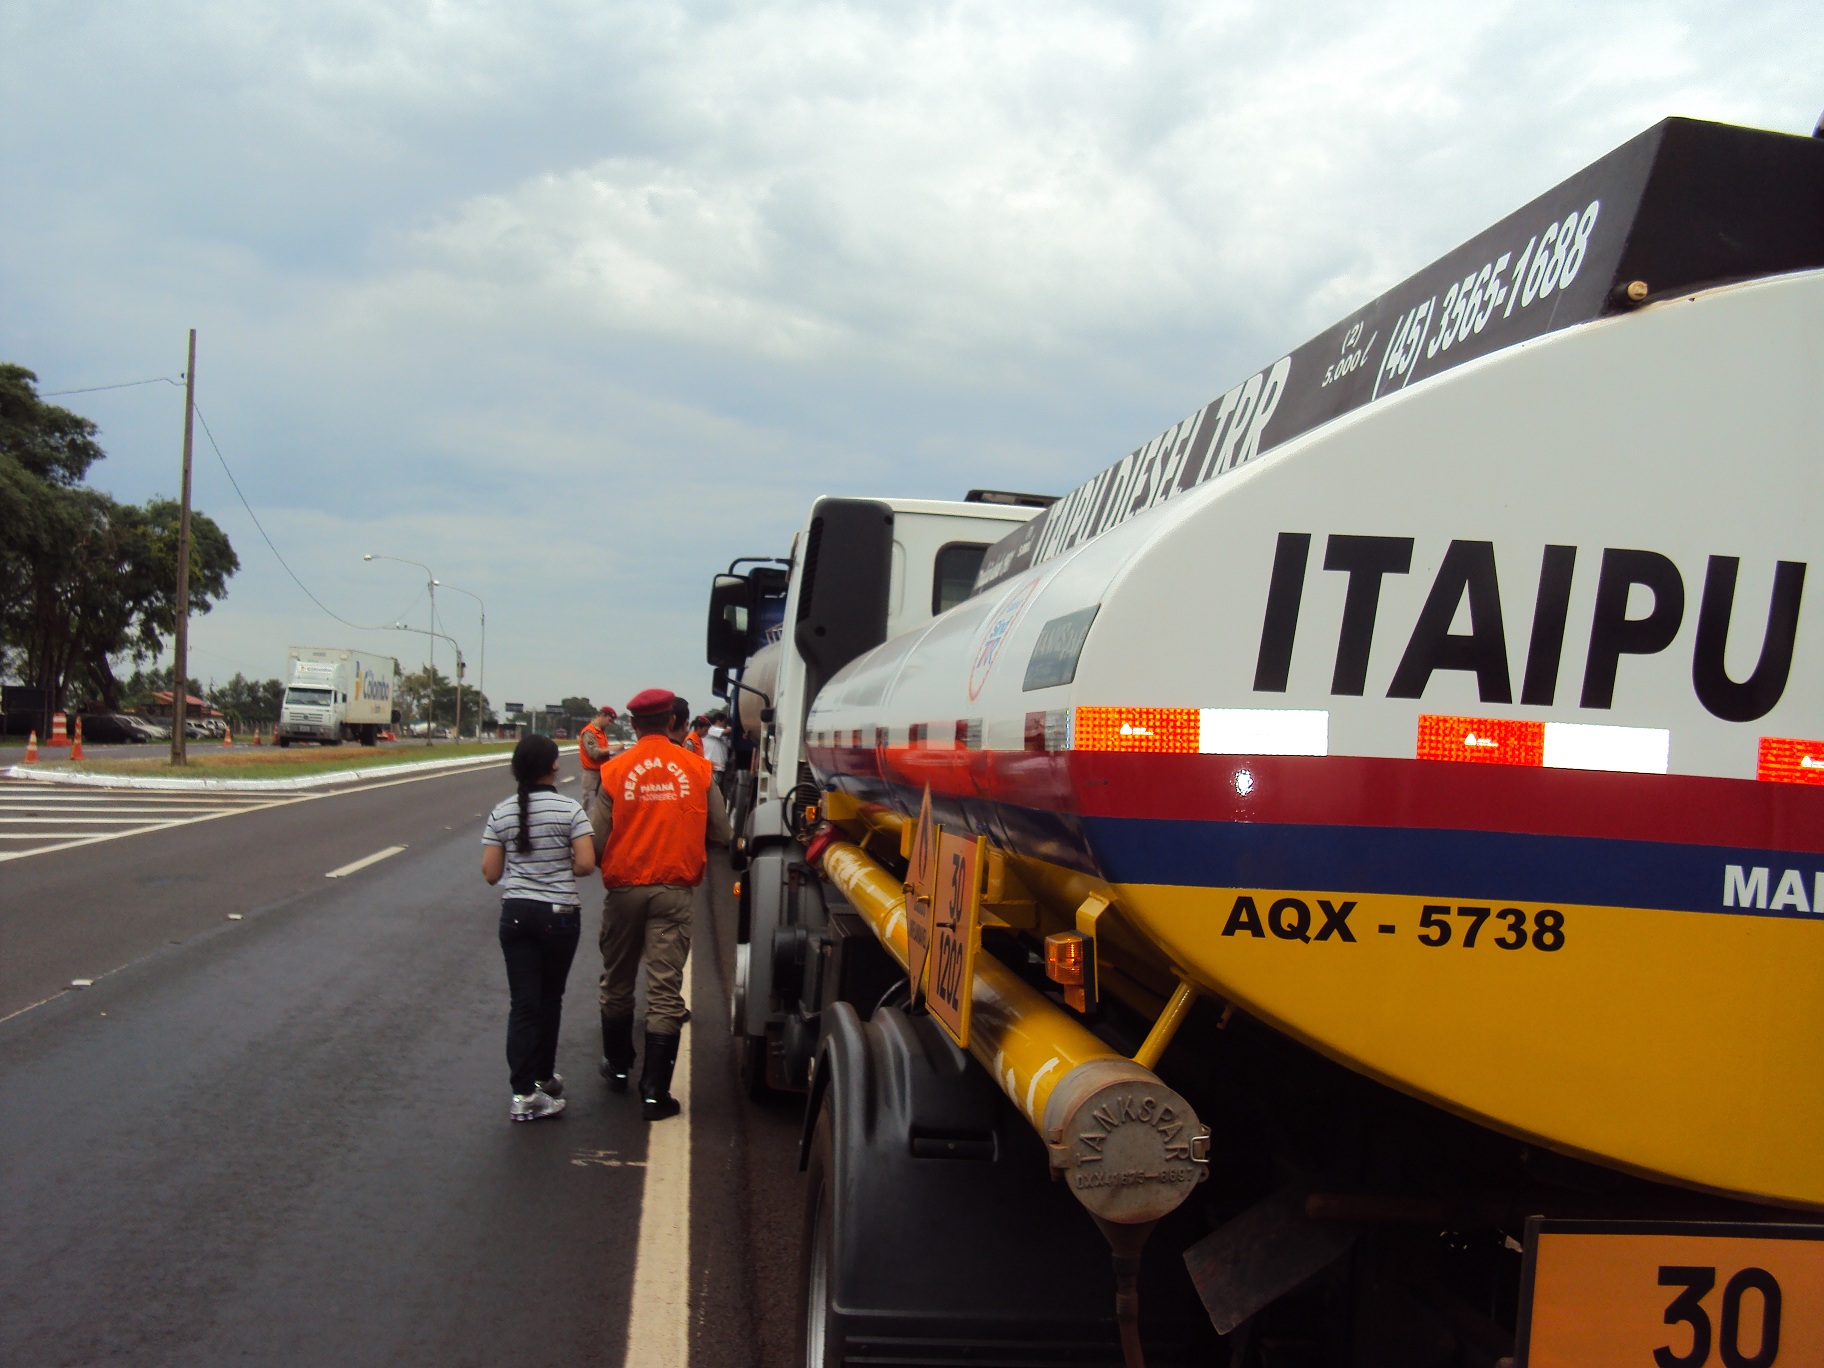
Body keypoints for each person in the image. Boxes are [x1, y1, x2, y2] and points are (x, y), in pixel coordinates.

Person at [592, 688, 732, 1120]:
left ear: (633, 724)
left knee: (617, 980)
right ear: (674, 721)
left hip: (624, 890)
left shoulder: (614, 771)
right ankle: (654, 1093)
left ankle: (618, 1068)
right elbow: (723, 834)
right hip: (673, 891)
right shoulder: (699, 768)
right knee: (665, 990)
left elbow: (596, 841)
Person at [482, 733, 596, 1122]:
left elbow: (490, 872)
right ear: (553, 767)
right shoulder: (571, 811)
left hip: (515, 913)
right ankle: (541, 1080)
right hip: (560, 914)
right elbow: (585, 864)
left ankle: (524, 1089)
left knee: (523, 1004)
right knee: (550, 999)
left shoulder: (501, 812)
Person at [578, 704, 617, 810]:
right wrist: (614, 748)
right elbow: (593, 752)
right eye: (609, 720)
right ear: (602, 715)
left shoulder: (602, 732)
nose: (609, 724)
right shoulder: (589, 732)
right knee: (588, 805)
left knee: (600, 805)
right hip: (591, 774)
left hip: (602, 772)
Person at [702, 710, 731, 801]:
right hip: (711, 767)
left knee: (716, 792)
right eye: (724, 722)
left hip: (719, 768)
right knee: (710, 791)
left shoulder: (721, 735)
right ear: (718, 721)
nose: (725, 724)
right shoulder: (711, 730)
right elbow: (727, 731)